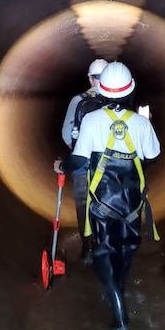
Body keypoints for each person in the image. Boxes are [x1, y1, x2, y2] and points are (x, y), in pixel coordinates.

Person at [54, 62, 161, 330]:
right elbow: (151, 155)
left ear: (100, 89)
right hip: (132, 203)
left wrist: (62, 166)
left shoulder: (91, 120)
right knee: (125, 250)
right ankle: (119, 290)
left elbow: (78, 161)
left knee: (103, 252)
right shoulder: (141, 123)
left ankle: (119, 314)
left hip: (102, 202)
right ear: (129, 92)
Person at [61, 58, 109, 260]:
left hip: (83, 166)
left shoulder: (78, 101)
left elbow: (66, 134)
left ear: (90, 79)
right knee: (107, 203)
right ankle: (108, 245)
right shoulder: (118, 101)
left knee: (84, 206)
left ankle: (88, 248)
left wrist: (78, 152)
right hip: (109, 165)